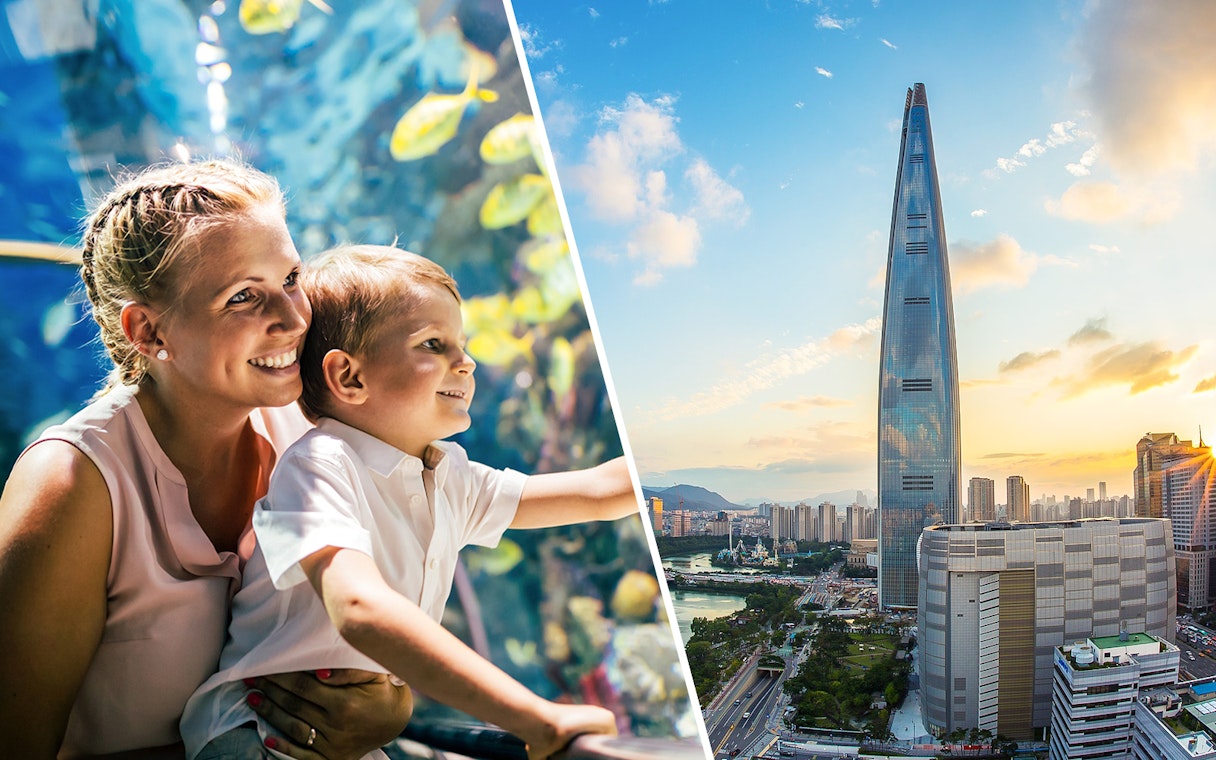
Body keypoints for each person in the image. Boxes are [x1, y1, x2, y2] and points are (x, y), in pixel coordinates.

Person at [0, 160, 411, 759]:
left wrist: (391, 704)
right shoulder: (71, 485)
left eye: (291, 278)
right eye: (243, 297)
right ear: (148, 331)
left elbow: (378, 625)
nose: (296, 319)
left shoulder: (320, 429)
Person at [181, 244, 638, 760]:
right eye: (433, 344)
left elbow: (600, 492)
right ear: (349, 377)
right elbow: (358, 607)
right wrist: (537, 717)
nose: (464, 362)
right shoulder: (319, 465)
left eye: (461, 344)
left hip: (338, 742)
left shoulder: (449, 477)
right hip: (254, 734)